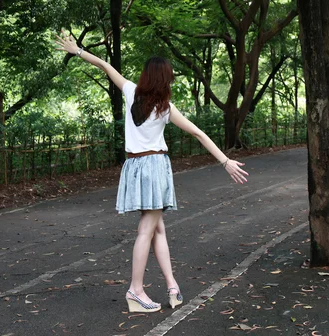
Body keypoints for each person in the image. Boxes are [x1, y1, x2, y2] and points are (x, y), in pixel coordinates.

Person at [55, 32, 249, 313]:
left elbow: (106, 67)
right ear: (165, 79)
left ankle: (172, 285)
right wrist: (224, 161)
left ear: (146, 76)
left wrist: (78, 51)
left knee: (158, 228)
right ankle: (136, 290)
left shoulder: (131, 91)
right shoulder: (165, 108)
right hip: (155, 167)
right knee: (148, 228)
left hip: (134, 167)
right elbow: (198, 133)